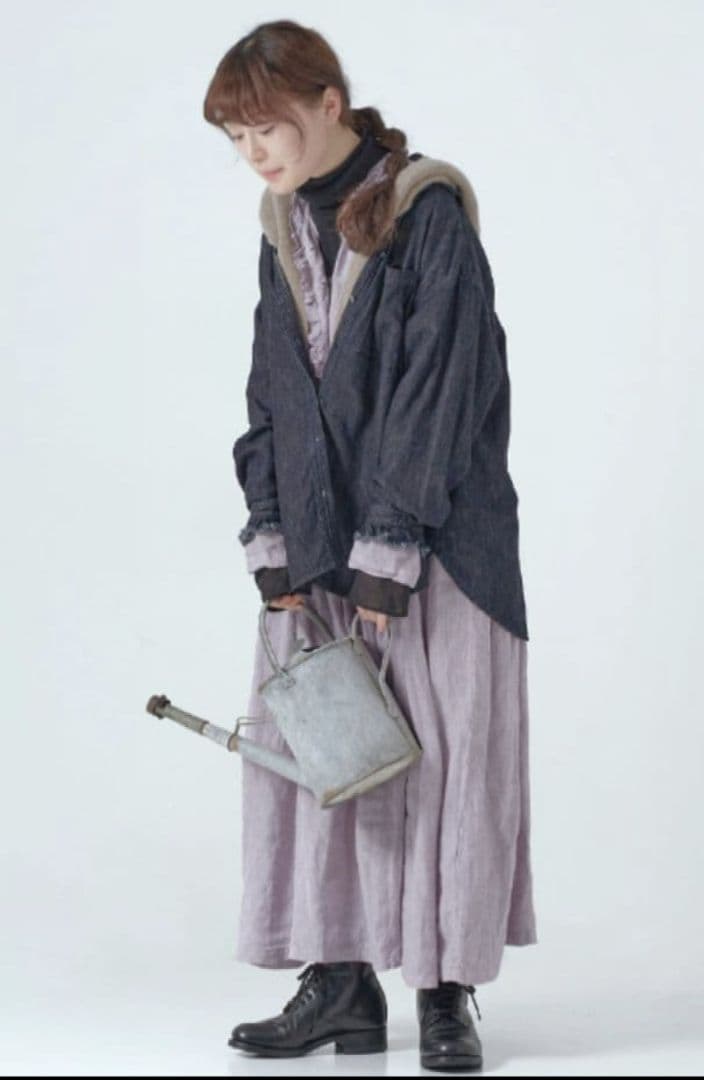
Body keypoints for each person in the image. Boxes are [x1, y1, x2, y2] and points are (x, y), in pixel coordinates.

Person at [203, 18, 538, 1072]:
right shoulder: (281, 230)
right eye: (236, 139)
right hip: (317, 545)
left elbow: (443, 392)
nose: (254, 154)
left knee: (441, 763)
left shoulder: (425, 213)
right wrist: (270, 531)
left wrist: (390, 547)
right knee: (323, 760)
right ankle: (341, 986)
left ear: (328, 103)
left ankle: (443, 994)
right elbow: (268, 391)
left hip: (439, 546)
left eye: (265, 128)